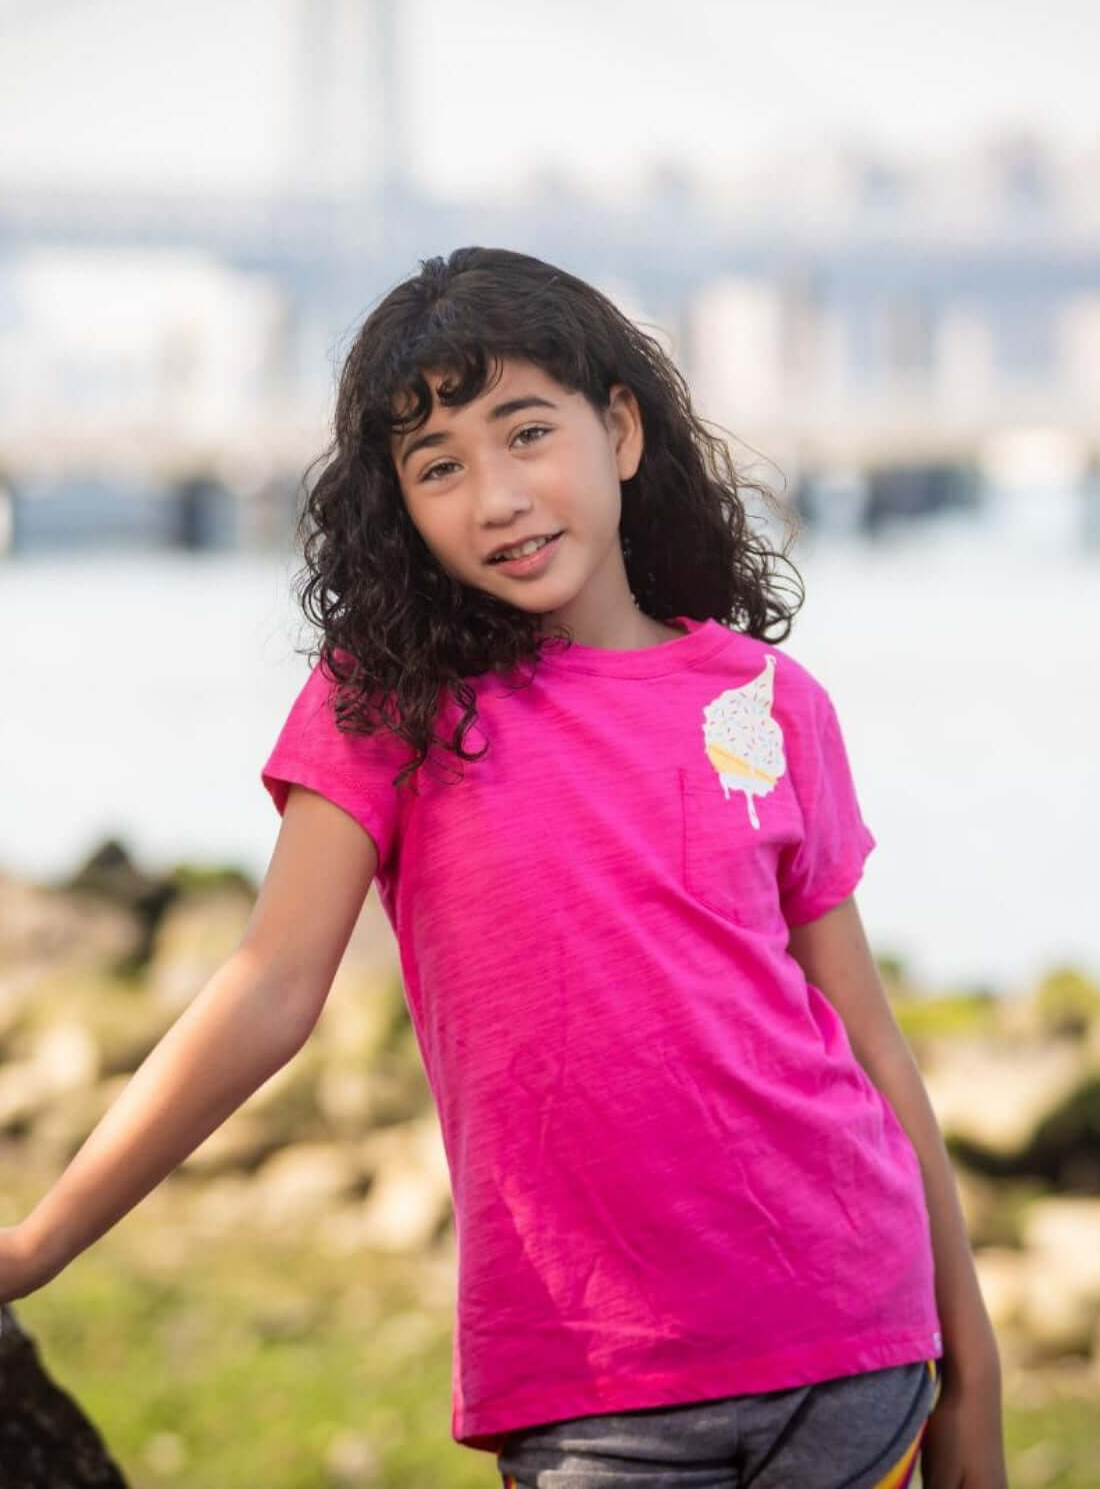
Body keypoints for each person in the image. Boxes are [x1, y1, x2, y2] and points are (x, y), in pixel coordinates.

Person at [0, 247, 1008, 1489]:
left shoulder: (768, 701)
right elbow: (269, 985)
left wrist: (976, 1368)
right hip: (595, 1384)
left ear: (620, 429)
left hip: (853, 1343)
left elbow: (868, 1044)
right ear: (400, 507)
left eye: (528, 433)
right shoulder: (389, 702)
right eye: (439, 466)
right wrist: (39, 1243)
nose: (496, 497)